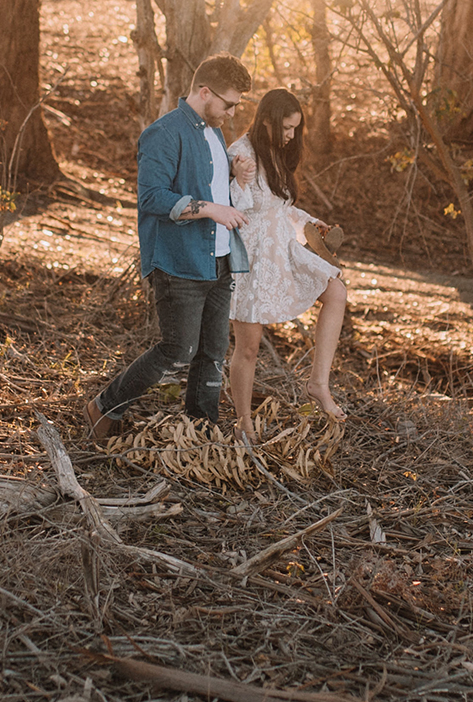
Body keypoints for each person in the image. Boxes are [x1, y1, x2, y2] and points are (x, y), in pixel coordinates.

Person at [84, 54, 255, 439]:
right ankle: (103, 407)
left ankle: (202, 433)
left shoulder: (214, 131)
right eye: (228, 104)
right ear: (204, 92)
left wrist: (233, 173)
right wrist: (211, 209)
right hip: (179, 262)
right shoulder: (164, 132)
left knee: (212, 353)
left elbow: (207, 177)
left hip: (220, 260)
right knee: (178, 349)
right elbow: (153, 198)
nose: (232, 112)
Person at [224, 87, 351, 429]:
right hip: (252, 258)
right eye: (286, 128)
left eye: (296, 128)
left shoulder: (276, 153)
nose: (291, 135)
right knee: (248, 347)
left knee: (336, 291)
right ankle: (244, 422)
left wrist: (308, 222)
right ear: (267, 120)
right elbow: (232, 209)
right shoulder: (241, 153)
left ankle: (318, 385)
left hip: (283, 248)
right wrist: (237, 179)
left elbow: (280, 207)